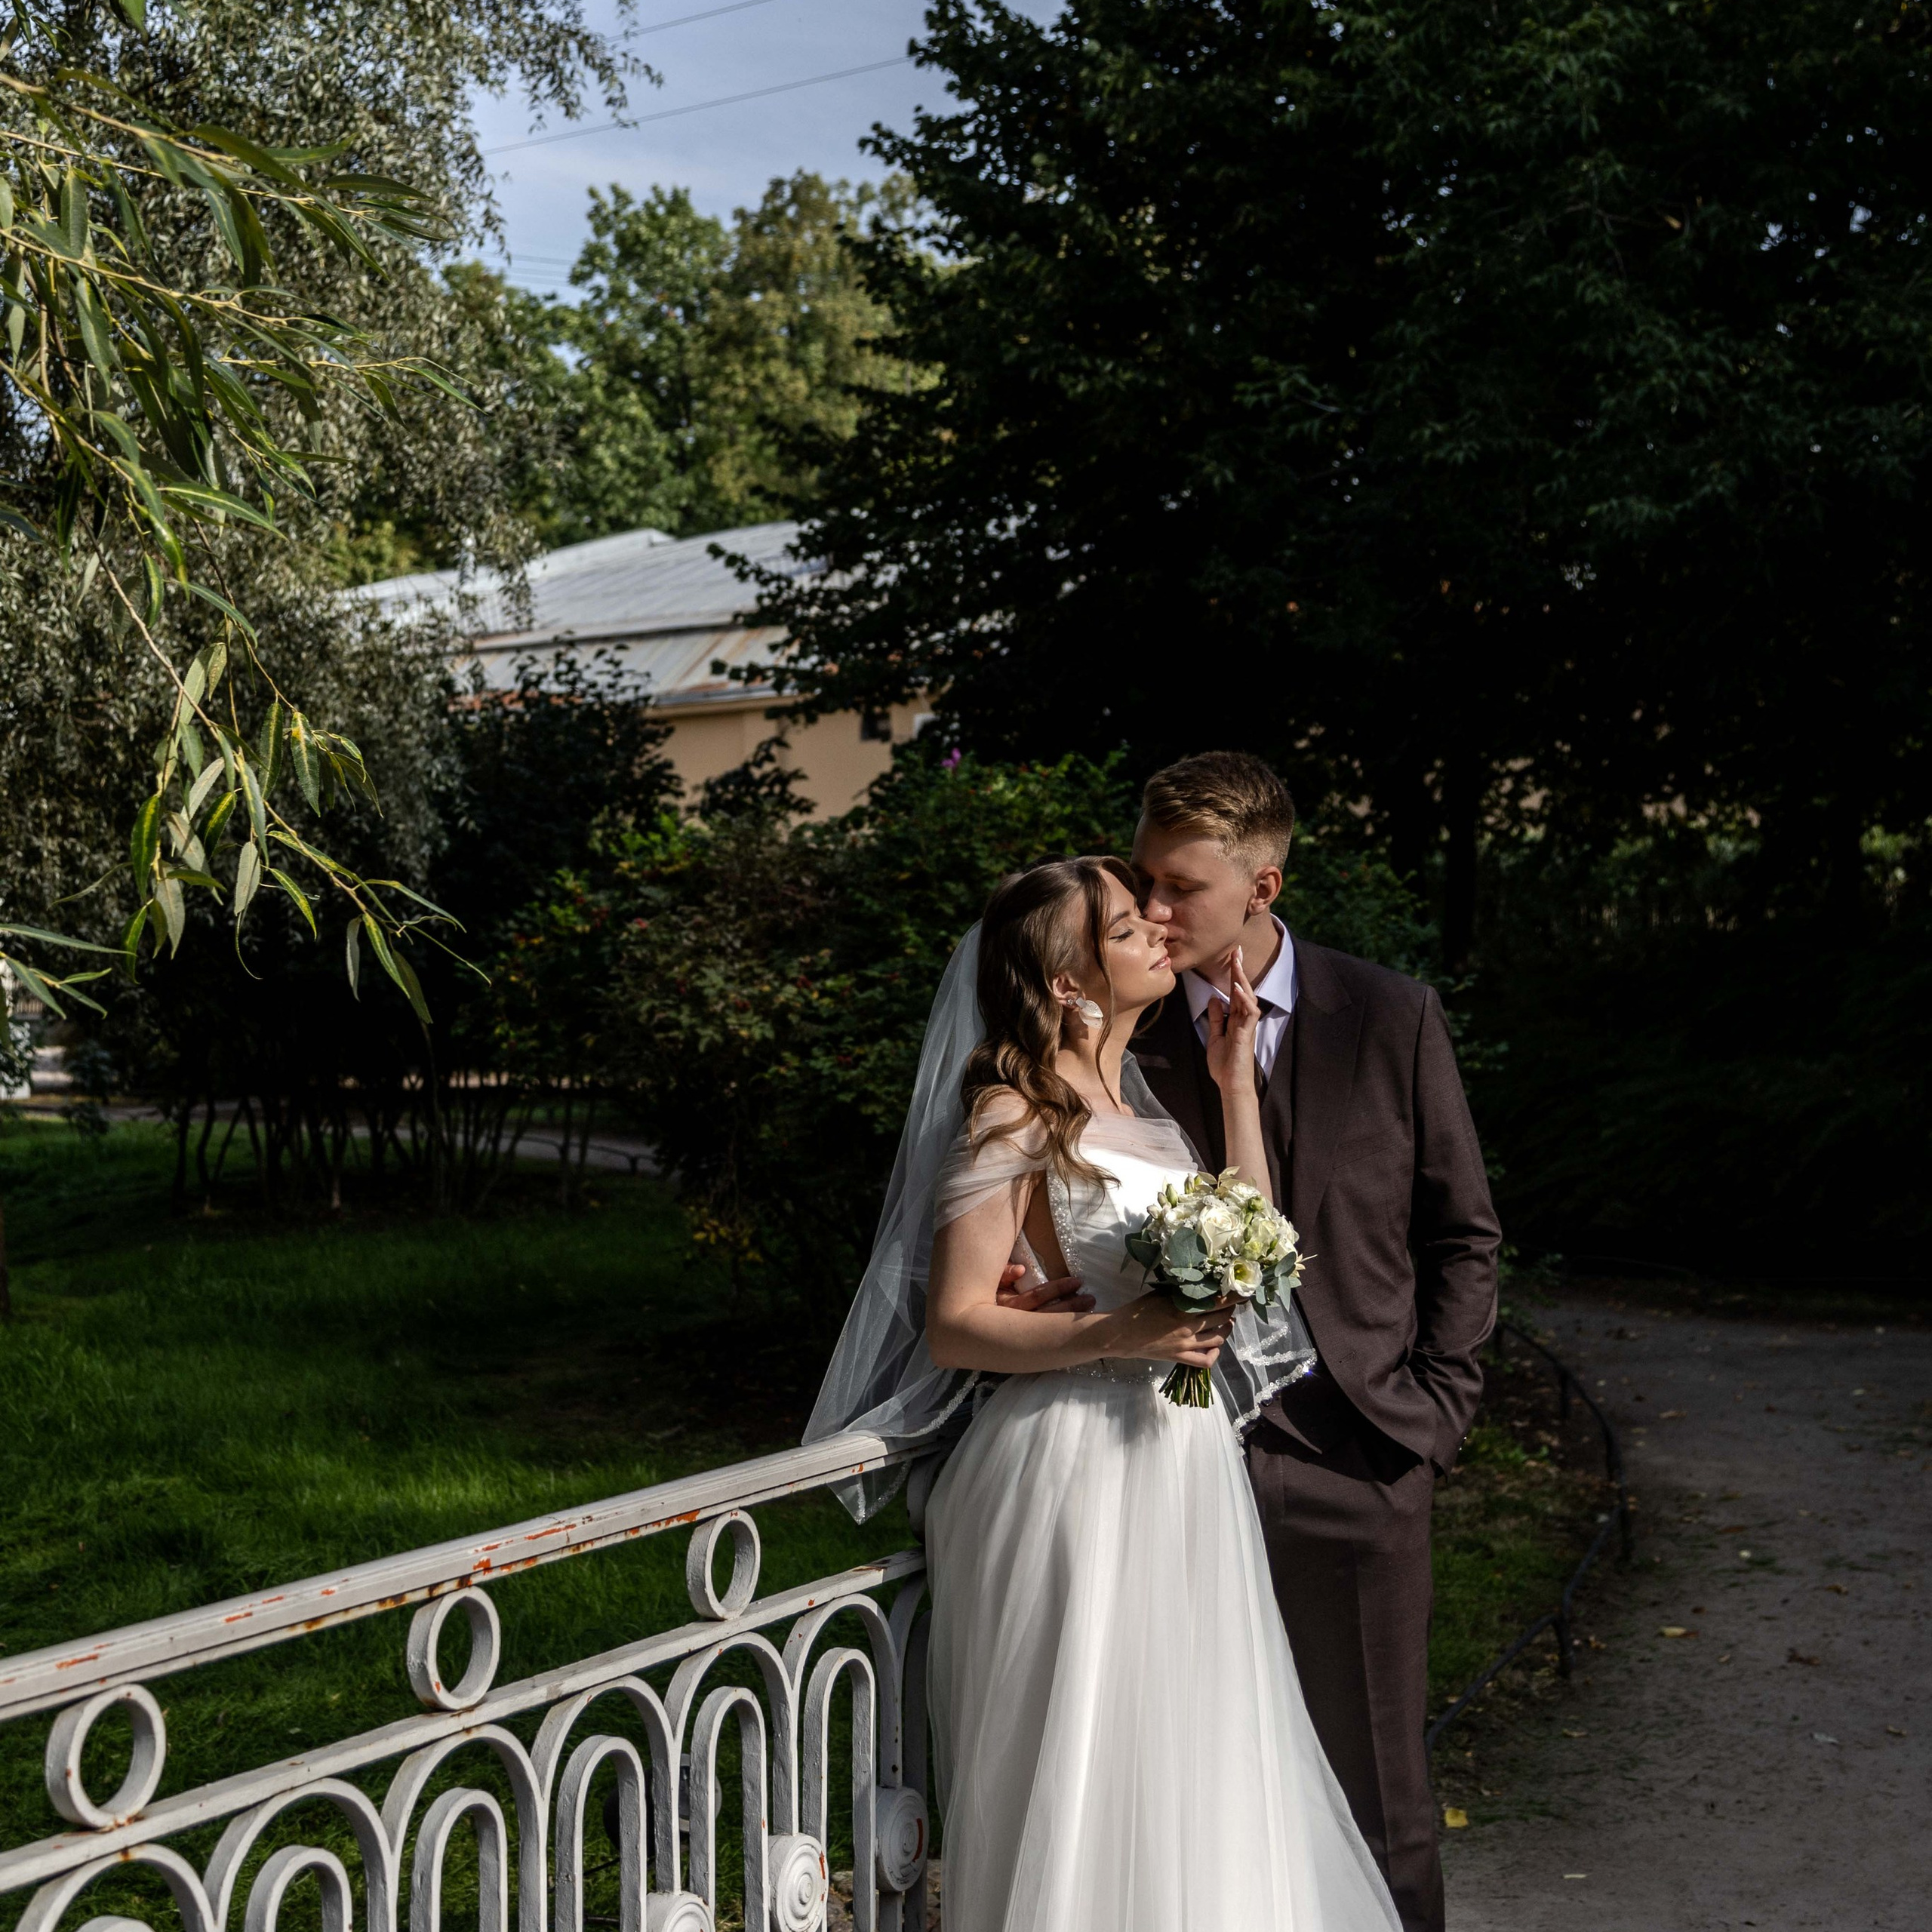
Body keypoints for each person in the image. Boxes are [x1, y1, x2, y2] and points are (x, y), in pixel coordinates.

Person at [807, 855, 1401, 1932]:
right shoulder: (1011, 1112)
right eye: (1128, 930)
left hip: (1181, 1468)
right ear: (1072, 983)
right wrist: (1119, 1331)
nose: (1159, 935)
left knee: (1193, 1748)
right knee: (1088, 1753)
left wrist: (1232, 1088)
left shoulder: (1144, 1106)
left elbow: (1255, 1257)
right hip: (1072, 1470)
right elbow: (953, 1323)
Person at [1127, 751, 1502, 1932]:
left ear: (1264, 886)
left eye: (1181, 887)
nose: (1152, 911)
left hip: (1364, 1454)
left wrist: (1434, 1417)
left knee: (1383, 1797)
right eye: (1143, 881)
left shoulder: (1391, 1015)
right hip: (1172, 1463)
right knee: (1202, 1792)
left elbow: (1464, 1234)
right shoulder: (1114, 1033)